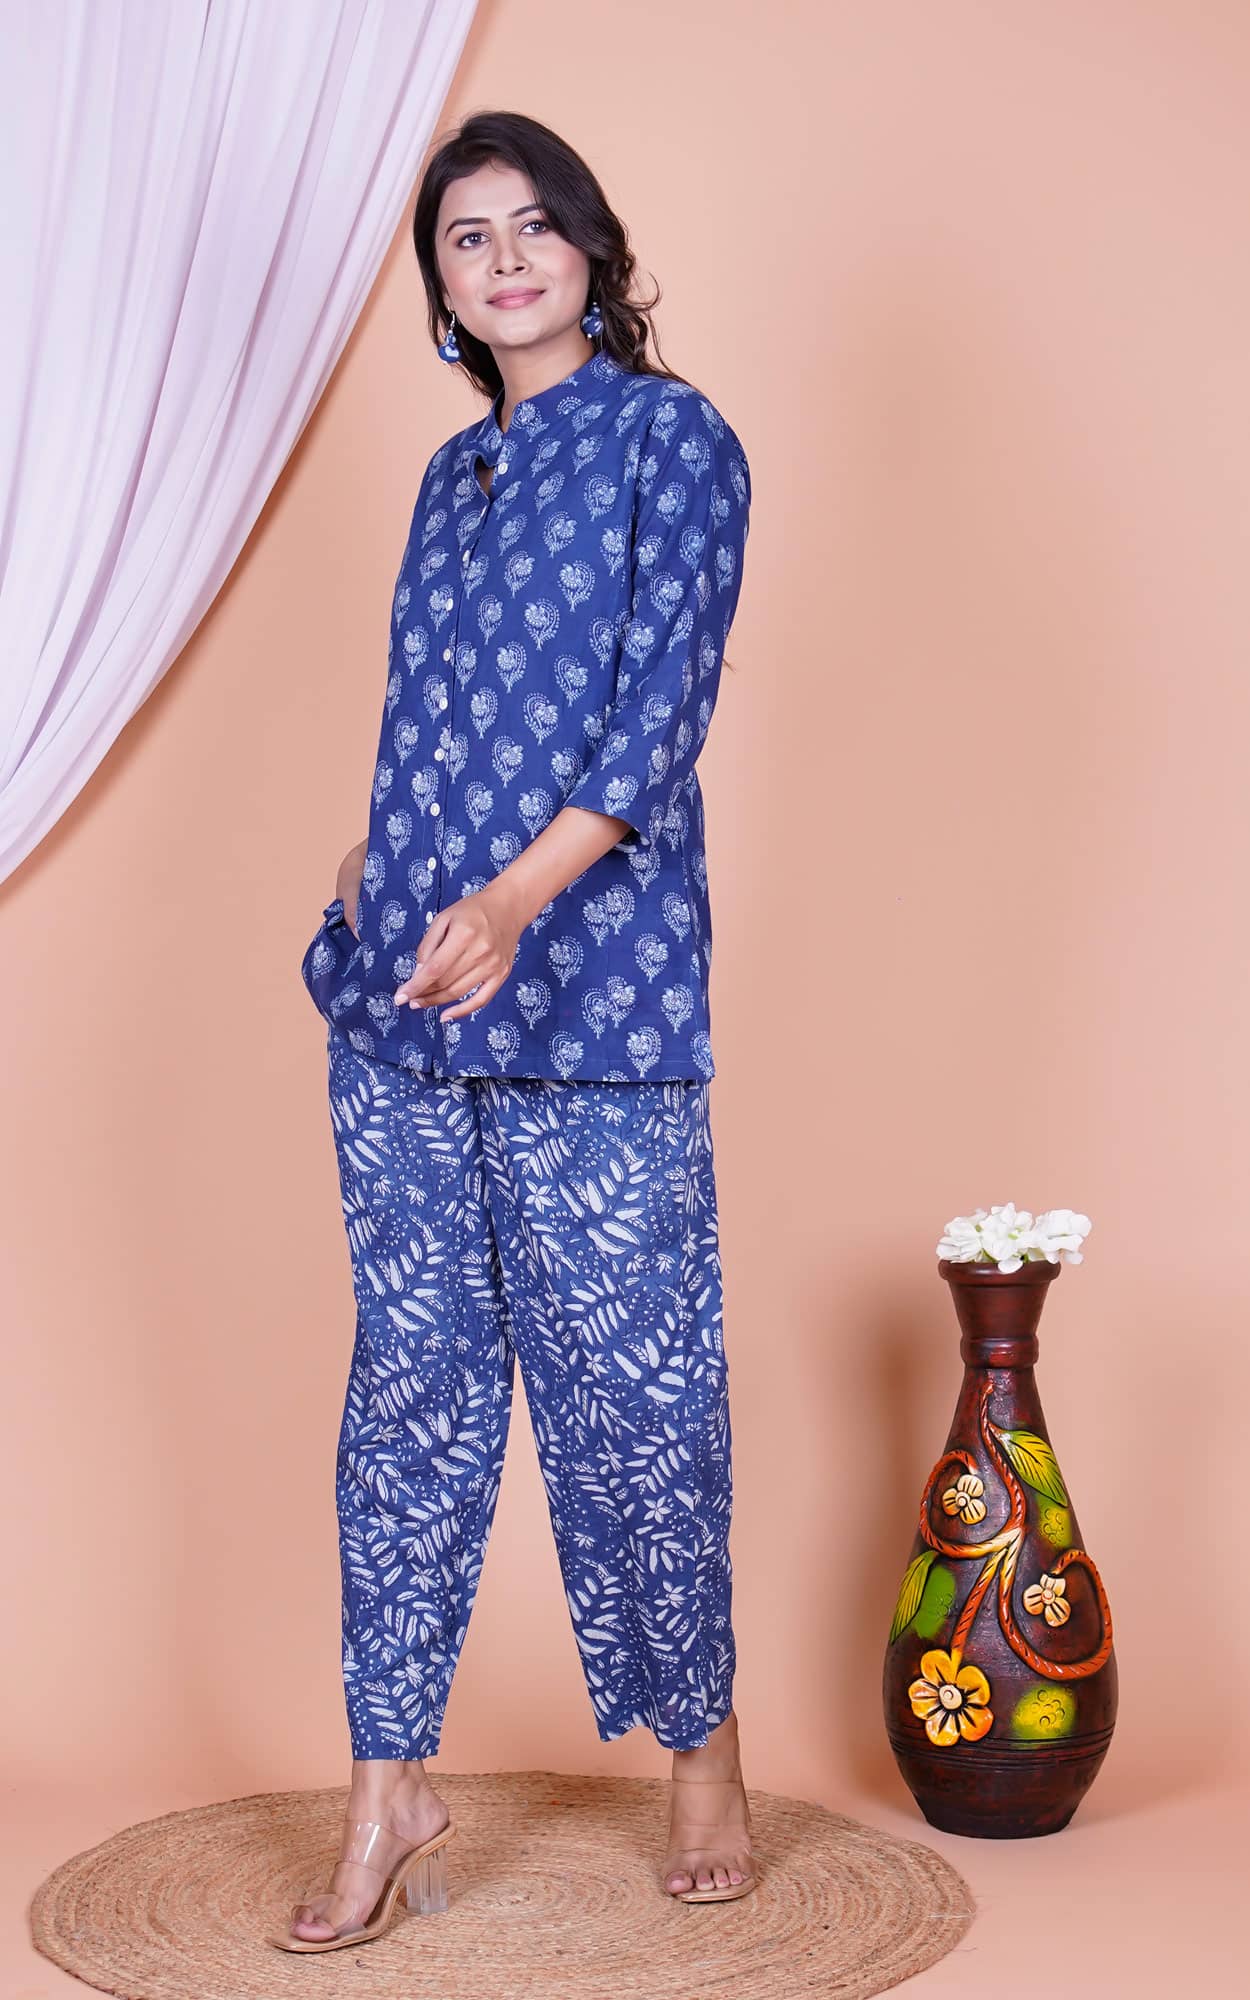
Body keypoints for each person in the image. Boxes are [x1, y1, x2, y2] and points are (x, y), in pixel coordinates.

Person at [273, 109, 755, 1954]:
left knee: (633, 1392)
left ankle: (702, 1753)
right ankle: (386, 1784)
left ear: (591, 247)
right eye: (466, 238)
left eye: (533, 224)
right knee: (409, 1393)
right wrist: (377, 872)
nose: (504, 258)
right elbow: (426, 719)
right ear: (441, 286)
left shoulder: (670, 438)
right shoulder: (444, 475)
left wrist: (512, 900)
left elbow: (656, 717)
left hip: (593, 1003)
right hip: (403, 1000)